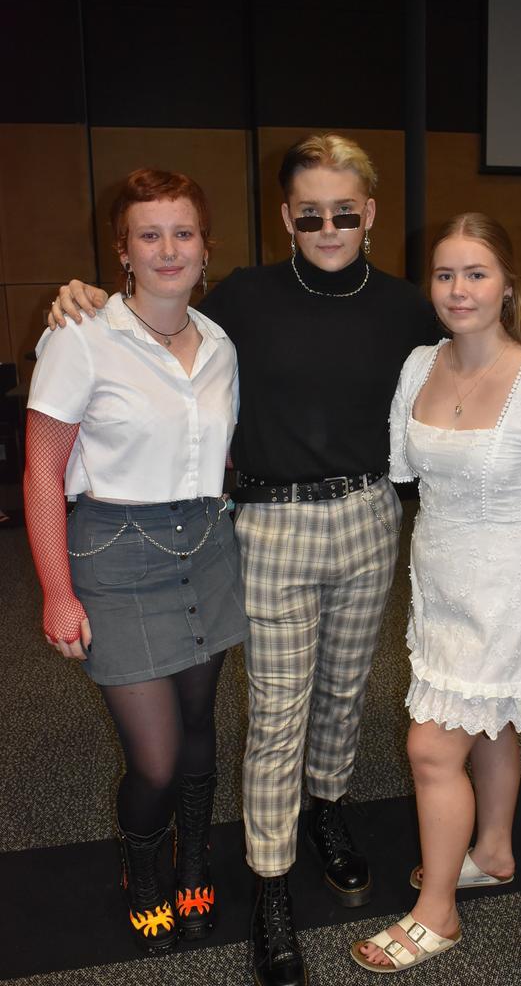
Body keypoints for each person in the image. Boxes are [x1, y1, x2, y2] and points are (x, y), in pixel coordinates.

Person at [46, 135, 521, 986]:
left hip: (370, 517)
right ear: (286, 217)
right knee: (276, 715)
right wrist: (84, 294)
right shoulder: (244, 302)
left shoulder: (412, 306)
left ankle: (326, 808)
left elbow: (485, 344)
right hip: (269, 526)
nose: (327, 226)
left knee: (342, 693)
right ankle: (269, 884)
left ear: (368, 215)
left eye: (343, 211)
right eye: (308, 213)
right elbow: (156, 313)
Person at [349, 213, 521, 972]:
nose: (459, 289)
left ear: (507, 285)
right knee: (488, 725)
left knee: (431, 746)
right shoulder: (419, 362)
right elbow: (404, 468)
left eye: (476, 273)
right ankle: (490, 850)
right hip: (441, 574)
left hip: (512, 579)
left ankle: (439, 911)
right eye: (446, 274)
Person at [24, 169, 247, 951]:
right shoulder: (79, 338)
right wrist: (57, 591)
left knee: (197, 729)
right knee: (152, 759)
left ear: (205, 247)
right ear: (123, 250)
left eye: (182, 232)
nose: (167, 249)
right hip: (115, 556)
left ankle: (195, 867)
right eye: (149, 235)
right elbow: (42, 471)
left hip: (207, 549)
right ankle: (144, 871)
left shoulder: (219, 345)